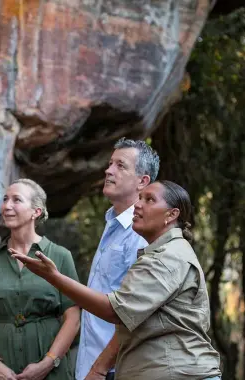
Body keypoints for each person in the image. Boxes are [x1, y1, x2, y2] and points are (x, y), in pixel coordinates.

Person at [11, 180, 222, 380]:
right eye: (140, 198)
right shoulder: (160, 253)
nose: (138, 205)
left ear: (172, 214)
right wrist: (99, 368)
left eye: (149, 200)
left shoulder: (167, 257)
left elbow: (114, 311)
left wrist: (54, 278)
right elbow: (131, 321)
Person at [0, 178, 80, 380]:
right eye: (5, 199)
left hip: (51, 369)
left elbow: (73, 318)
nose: (7, 206)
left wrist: (48, 363)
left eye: (16, 200)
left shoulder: (60, 256)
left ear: (36, 212)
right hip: (3, 368)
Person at [78, 138, 160, 380]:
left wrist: (101, 368)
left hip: (114, 370)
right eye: (110, 163)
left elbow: (136, 314)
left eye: (120, 166)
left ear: (142, 181)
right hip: (90, 363)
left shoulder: (141, 235)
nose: (108, 170)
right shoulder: (113, 222)